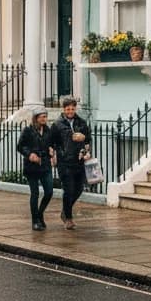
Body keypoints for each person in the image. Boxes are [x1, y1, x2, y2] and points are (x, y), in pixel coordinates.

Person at [50, 95, 91, 230]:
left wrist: (86, 149)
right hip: (64, 161)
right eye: (67, 109)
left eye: (72, 109)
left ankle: (65, 210)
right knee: (68, 190)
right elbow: (51, 142)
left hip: (78, 160)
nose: (70, 111)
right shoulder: (57, 124)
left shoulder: (82, 122)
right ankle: (68, 218)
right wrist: (53, 155)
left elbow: (88, 141)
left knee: (79, 188)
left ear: (75, 108)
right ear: (63, 109)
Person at [17, 108, 56, 231]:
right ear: (35, 118)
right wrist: (29, 154)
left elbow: (53, 144)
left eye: (45, 116)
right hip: (32, 166)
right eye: (41, 117)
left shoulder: (48, 131)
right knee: (35, 194)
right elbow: (20, 146)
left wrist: (52, 151)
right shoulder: (28, 130)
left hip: (45, 165)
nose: (44, 119)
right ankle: (35, 221)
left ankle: (40, 213)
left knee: (49, 192)